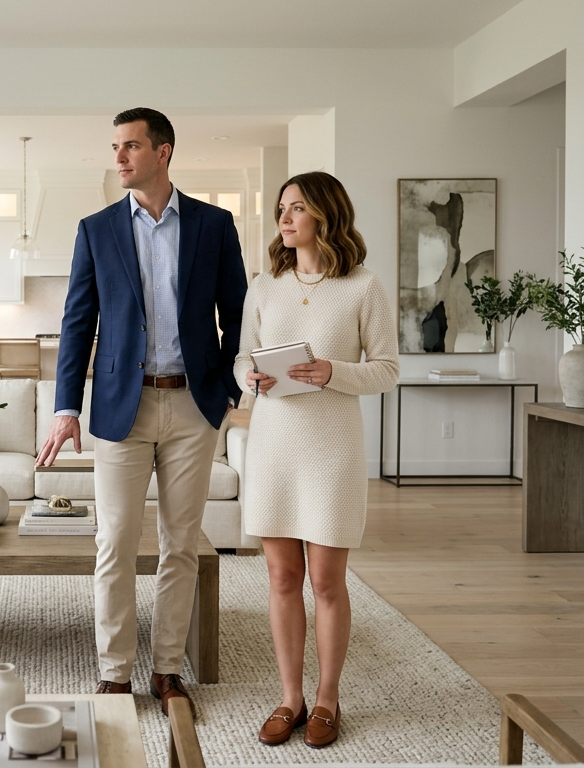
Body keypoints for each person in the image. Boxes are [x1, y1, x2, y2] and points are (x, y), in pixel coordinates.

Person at [36, 107, 247, 717]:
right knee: (115, 544)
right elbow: (78, 324)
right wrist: (65, 407)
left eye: (131, 146)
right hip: (120, 410)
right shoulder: (97, 229)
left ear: (165, 152)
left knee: (180, 545)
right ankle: (113, 674)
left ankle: (168, 670)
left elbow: (236, 313)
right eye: (116, 147)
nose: (120, 157)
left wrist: (231, 390)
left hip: (193, 405)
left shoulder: (213, 224)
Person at [236, 172, 398, 748]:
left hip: (332, 451)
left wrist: (335, 372)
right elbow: (239, 359)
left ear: (325, 216)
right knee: (282, 577)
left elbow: (386, 369)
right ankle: (290, 697)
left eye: (297, 208)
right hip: (274, 444)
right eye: (282, 208)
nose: (284, 218)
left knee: (327, 582)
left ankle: (327, 699)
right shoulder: (266, 284)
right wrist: (248, 377)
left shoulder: (362, 286)